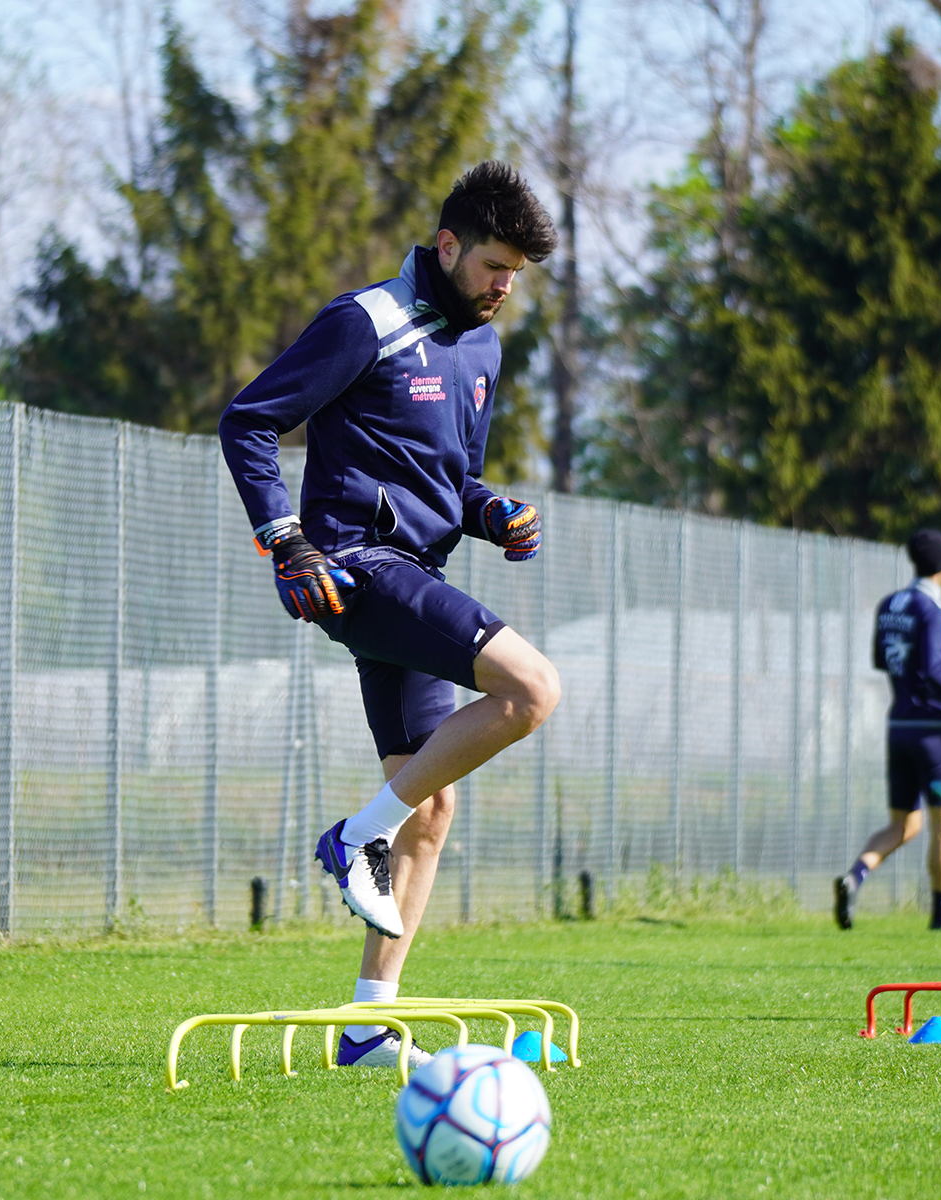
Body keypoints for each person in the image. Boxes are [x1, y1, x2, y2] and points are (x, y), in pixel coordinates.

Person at [218, 162, 562, 1069]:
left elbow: (454, 482)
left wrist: (493, 515)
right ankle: (355, 834)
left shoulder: (485, 347)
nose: (503, 286)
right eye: (493, 264)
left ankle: (368, 1030)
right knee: (532, 689)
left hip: (418, 566)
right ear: (447, 245)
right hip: (352, 567)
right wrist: (286, 540)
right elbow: (248, 421)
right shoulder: (363, 320)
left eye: (517, 273)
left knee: (434, 805)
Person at [835, 530, 941, 932]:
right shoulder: (933, 610)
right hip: (933, 730)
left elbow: (882, 659)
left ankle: (854, 877)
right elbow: (933, 668)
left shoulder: (890, 603)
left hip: (899, 726)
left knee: (904, 825)